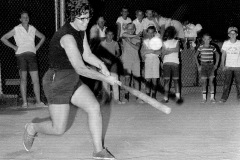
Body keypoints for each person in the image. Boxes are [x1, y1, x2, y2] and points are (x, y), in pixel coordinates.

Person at [22, 2, 117, 160]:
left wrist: (102, 66)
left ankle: (98, 151)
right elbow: (81, 68)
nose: (87, 22)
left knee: (93, 107)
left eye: (88, 18)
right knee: (59, 129)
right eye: (83, 18)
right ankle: (32, 127)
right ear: (72, 17)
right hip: (56, 81)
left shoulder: (81, 29)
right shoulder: (67, 36)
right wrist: (105, 78)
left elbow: (86, 55)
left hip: (71, 78)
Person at [1, 11, 46, 108]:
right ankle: (25, 103)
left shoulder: (32, 28)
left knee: (36, 79)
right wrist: (14, 47)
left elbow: (43, 37)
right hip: (21, 56)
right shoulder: (17, 29)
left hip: (32, 56)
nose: (25, 18)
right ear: (20, 19)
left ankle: (38, 102)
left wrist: (36, 48)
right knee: (23, 79)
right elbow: (3, 38)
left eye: (27, 17)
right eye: (23, 17)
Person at [97, 27, 124, 104]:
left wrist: (115, 57)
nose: (110, 36)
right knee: (105, 83)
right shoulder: (102, 43)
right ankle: (106, 99)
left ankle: (117, 99)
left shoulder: (115, 43)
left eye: (112, 35)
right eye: (109, 35)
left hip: (113, 65)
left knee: (115, 81)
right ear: (105, 35)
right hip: (104, 65)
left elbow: (118, 53)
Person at [194, 33, 220, 103]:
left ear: (210, 40)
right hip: (203, 66)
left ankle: (212, 98)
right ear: (203, 39)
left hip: (211, 66)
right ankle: (204, 98)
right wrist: (198, 66)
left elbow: (218, 55)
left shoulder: (212, 47)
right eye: (205, 39)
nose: (206, 40)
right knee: (204, 82)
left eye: (208, 39)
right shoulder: (200, 47)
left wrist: (216, 65)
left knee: (211, 81)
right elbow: (195, 56)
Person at [121, 23, 143, 103]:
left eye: (132, 29)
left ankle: (138, 97)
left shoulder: (138, 38)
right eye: (128, 29)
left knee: (136, 79)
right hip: (126, 60)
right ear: (126, 29)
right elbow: (123, 34)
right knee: (127, 78)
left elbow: (137, 48)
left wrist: (130, 42)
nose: (130, 30)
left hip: (136, 60)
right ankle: (126, 97)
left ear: (134, 29)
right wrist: (135, 35)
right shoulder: (124, 36)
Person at [161, 26, 182, 103]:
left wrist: (167, 50)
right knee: (167, 81)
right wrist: (170, 50)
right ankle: (166, 98)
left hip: (174, 63)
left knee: (175, 80)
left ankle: (177, 98)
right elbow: (163, 53)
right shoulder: (164, 42)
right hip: (167, 62)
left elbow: (176, 50)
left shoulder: (177, 41)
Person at [219, 27, 240, 103]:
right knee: (226, 83)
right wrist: (222, 65)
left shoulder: (239, 43)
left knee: (239, 83)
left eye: (234, 33)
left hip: (238, 66)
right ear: (229, 35)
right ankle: (224, 98)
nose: (232, 35)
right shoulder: (226, 43)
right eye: (231, 34)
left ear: (237, 34)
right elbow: (223, 55)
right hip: (228, 66)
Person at [141, 26, 161, 99]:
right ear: (147, 33)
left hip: (155, 60)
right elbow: (143, 52)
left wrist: (149, 51)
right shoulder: (145, 41)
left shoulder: (158, 41)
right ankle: (147, 96)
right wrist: (153, 51)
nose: (150, 34)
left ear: (155, 33)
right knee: (148, 78)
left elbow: (159, 52)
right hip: (148, 60)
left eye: (152, 33)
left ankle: (154, 96)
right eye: (149, 33)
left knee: (155, 78)